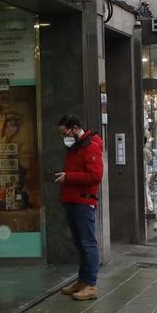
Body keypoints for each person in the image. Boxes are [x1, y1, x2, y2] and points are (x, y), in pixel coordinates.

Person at [52, 113, 103, 301]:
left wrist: (68, 177)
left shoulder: (90, 146)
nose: (63, 138)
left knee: (88, 243)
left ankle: (91, 284)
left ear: (74, 129)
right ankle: (82, 280)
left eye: (65, 133)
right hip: (72, 200)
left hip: (83, 201)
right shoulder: (75, 146)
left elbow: (96, 176)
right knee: (80, 243)